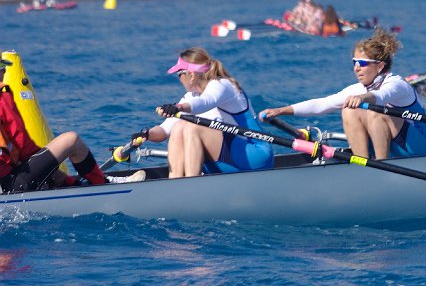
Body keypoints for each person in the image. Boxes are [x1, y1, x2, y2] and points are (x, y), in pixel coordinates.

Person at [260, 27, 426, 160]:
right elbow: (322, 104)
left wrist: (362, 98)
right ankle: (362, 163)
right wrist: (281, 110)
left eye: (363, 63)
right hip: (395, 145)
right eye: (354, 62)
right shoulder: (358, 89)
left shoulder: (396, 84)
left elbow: (381, 97)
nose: (357, 68)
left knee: (376, 110)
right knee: (349, 110)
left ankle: (381, 166)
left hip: (420, 146)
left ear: (380, 66)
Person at [0, 57, 143, 193]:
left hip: (6, 182)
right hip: (13, 185)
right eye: (2, 68)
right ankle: (103, 185)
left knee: (52, 173)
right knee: (71, 140)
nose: (4, 72)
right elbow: (22, 142)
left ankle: (75, 185)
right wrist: (52, 171)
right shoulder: (2, 97)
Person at [148, 47, 274, 178]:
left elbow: (206, 101)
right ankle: (175, 180)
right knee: (178, 126)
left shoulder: (222, 85)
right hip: (227, 159)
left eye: (179, 74)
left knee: (191, 128)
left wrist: (179, 107)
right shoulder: (191, 97)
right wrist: (145, 134)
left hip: (254, 154)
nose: (179, 79)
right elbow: (164, 130)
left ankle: (190, 182)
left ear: (191, 75)